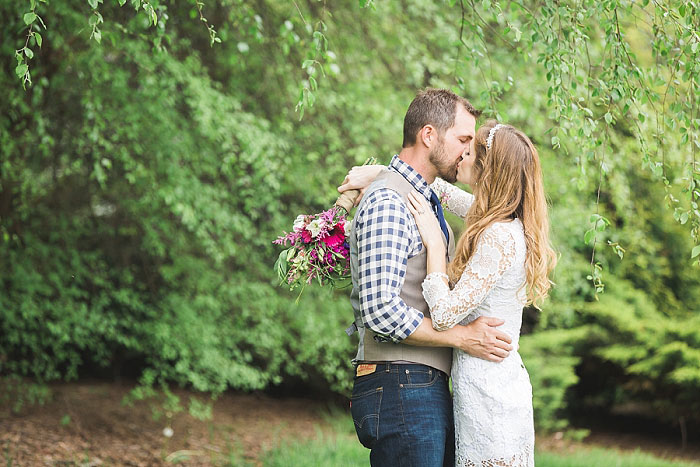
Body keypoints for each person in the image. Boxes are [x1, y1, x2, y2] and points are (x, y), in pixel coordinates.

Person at [346, 120, 557, 466]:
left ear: (487, 172)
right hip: (487, 380)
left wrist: (432, 244)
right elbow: (438, 192)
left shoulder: (497, 236)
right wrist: (382, 173)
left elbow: (443, 314)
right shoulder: (498, 220)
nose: (461, 156)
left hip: (488, 388)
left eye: (469, 152)